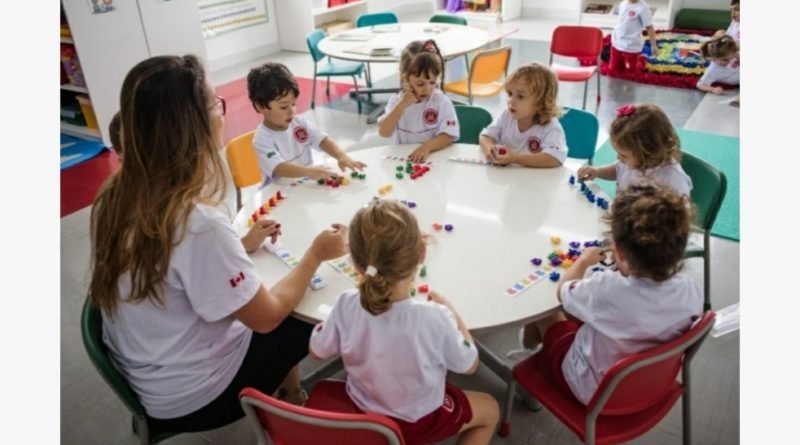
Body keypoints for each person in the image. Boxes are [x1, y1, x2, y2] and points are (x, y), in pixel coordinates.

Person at [88, 54, 349, 434]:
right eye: (215, 104)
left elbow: (178, 268)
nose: (222, 113)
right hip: (199, 395)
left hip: (150, 373)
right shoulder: (198, 222)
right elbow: (266, 318)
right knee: (315, 311)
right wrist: (316, 255)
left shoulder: (116, 192)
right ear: (190, 126)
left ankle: (291, 390)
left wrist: (240, 245)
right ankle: (328, 401)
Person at [309, 199, 500, 445]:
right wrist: (451, 311)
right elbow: (469, 365)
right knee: (491, 409)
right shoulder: (436, 317)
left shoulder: (346, 303)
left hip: (363, 409)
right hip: (418, 421)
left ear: (356, 264)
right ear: (422, 253)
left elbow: (317, 351)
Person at [523, 183, 702, 405]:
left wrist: (583, 261)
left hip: (591, 388)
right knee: (581, 314)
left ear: (620, 252)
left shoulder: (606, 289)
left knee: (544, 307)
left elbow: (562, 291)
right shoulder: (689, 290)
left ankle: (531, 353)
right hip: (648, 385)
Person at [247, 62, 366, 185]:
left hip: (304, 185)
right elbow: (279, 168)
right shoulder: (262, 139)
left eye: (293, 104)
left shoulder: (299, 122)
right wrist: (308, 172)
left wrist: (341, 156)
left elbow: (322, 139)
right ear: (260, 106)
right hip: (279, 191)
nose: (292, 112)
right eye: (283, 107)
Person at [576, 103, 692, 198]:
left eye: (623, 155)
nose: (619, 158)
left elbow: (681, 215)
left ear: (649, 151)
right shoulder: (632, 162)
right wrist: (598, 171)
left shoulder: (673, 181)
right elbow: (618, 169)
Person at [378, 40, 460, 163]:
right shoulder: (396, 102)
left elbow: (449, 135)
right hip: (405, 159)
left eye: (432, 82)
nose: (427, 89)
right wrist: (402, 105)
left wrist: (426, 147)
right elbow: (384, 132)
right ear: (405, 78)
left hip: (433, 158)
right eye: (420, 83)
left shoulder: (440, 101)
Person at [478, 62, 567, 168]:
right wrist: (491, 150)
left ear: (541, 102)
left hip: (536, 178)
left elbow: (554, 158)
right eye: (510, 94)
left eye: (520, 96)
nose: (511, 101)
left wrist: (515, 158)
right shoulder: (507, 116)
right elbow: (485, 136)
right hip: (509, 177)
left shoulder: (550, 126)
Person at [609, 0, 658, 72]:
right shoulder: (623, 4)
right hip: (617, 42)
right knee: (614, 70)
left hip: (632, 45)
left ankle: (642, 59)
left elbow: (649, 27)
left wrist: (653, 45)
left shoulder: (643, 8)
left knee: (634, 71)